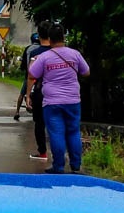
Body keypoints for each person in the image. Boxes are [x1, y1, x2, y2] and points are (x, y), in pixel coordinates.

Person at [26, 27, 89, 173]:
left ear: (50, 39)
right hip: (73, 100)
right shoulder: (75, 54)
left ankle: (58, 166)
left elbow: (32, 74)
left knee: (56, 133)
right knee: (73, 132)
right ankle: (75, 166)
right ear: (63, 38)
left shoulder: (44, 57)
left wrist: (32, 64)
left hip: (52, 102)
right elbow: (86, 72)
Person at [18, 31, 50, 161]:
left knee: (39, 123)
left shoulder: (33, 51)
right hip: (61, 94)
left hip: (39, 89)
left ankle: (42, 152)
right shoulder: (60, 52)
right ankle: (64, 158)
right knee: (57, 125)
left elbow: (30, 75)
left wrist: (27, 95)